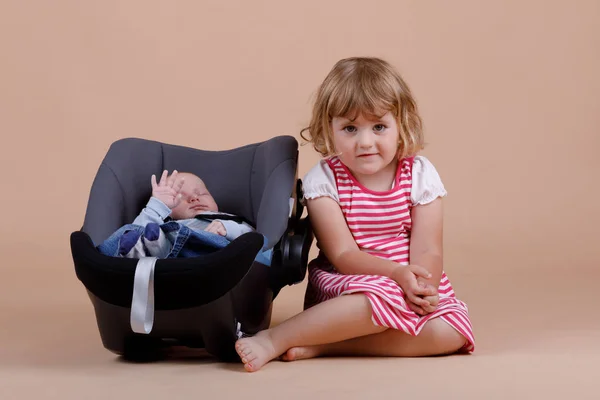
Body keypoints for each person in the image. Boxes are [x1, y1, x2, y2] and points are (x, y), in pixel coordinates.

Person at [234, 57, 475, 372]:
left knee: (453, 332)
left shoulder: (419, 174)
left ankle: (324, 345)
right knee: (383, 296)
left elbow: (428, 248)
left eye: (379, 127)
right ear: (328, 129)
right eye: (350, 128)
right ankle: (275, 338)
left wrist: (422, 286)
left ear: (401, 125)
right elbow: (344, 254)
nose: (365, 142)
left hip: (408, 282)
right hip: (350, 285)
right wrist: (395, 276)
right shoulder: (325, 180)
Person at [132, 169, 254, 241]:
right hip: (171, 261)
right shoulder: (162, 224)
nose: (194, 198)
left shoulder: (227, 219)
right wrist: (156, 206)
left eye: (201, 193)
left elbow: (253, 236)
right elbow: (136, 231)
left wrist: (228, 229)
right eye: (180, 196)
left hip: (216, 257)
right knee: (132, 234)